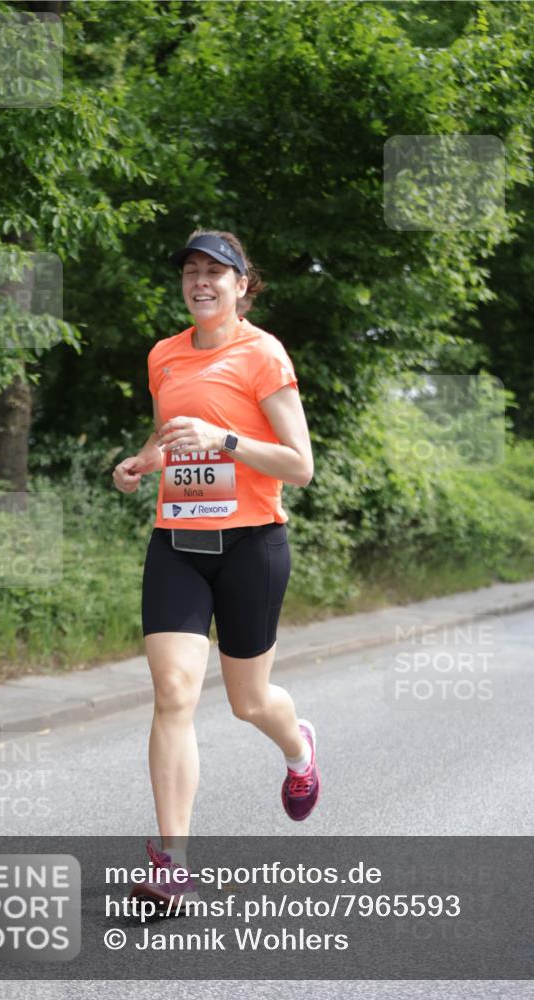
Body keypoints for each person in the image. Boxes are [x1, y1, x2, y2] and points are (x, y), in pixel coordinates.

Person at [113, 229, 320, 906]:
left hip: (251, 544)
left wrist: (225, 440)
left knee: (247, 701)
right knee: (173, 692)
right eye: (191, 272)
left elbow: (300, 466)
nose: (200, 282)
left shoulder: (262, 355)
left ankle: (297, 748)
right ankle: (172, 861)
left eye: (215, 273)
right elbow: (170, 427)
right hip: (176, 541)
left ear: (241, 285)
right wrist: (143, 461)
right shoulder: (164, 355)